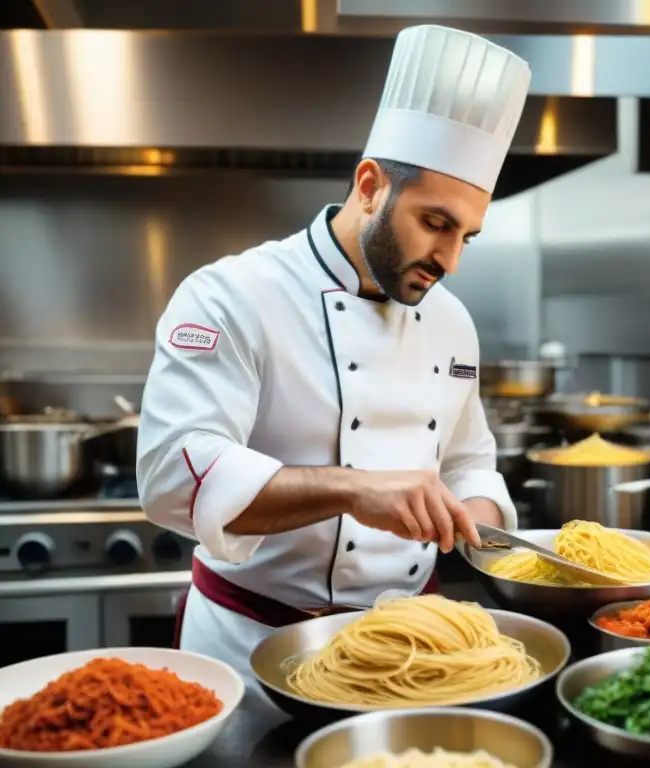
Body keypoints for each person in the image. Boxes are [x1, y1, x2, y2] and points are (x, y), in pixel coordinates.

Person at [135, 24, 531, 684]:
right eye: (435, 223)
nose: (451, 259)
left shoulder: (453, 323)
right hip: (254, 649)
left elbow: (468, 459)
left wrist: (480, 523)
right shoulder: (233, 295)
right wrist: (355, 490)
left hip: (417, 653)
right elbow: (175, 474)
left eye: (468, 235)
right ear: (371, 185)